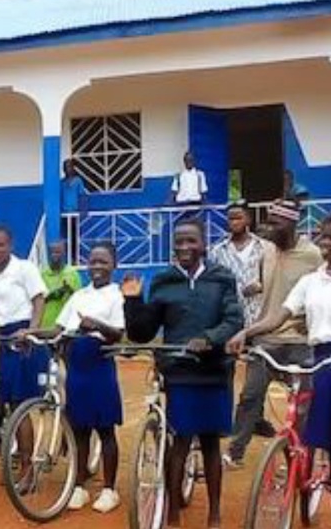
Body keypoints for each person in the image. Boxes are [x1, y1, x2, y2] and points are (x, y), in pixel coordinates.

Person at [236, 211, 331, 529]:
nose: (325, 243)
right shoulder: (309, 282)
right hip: (322, 366)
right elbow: (279, 316)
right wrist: (246, 333)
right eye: (322, 236)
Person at [123, 218, 241, 529]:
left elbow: (234, 320)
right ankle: (173, 511)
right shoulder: (164, 282)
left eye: (191, 241)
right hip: (179, 372)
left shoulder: (221, 278)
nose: (184, 247)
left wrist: (210, 339)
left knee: (211, 443)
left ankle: (214, 513)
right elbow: (142, 333)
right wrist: (133, 301)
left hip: (214, 371)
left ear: (203, 245)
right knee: (180, 441)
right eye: (179, 242)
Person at [223, 200, 322, 467]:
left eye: (274, 223)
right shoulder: (266, 251)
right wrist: (251, 288)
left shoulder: (312, 255)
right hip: (265, 337)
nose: (268, 227)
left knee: (301, 405)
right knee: (250, 396)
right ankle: (235, 451)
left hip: (298, 341)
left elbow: (322, 293)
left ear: (291, 224)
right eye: (267, 221)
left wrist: (312, 322)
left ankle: (296, 459)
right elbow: (266, 280)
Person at [49, 242, 124, 514]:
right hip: (76, 367)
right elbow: (57, 328)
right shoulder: (78, 295)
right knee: (79, 429)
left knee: (105, 430)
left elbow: (118, 334)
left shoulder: (117, 296)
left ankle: (109, 489)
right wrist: (28, 333)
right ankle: (79, 485)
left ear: (113, 265)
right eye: (93, 261)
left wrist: (97, 324)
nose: (97, 267)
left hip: (99, 365)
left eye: (103, 262)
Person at [0, 223, 49, 479]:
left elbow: (39, 300)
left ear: (10, 245)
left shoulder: (24, 269)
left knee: (21, 405)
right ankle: (12, 462)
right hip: (4, 339)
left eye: (0, 244)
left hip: (23, 340)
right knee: (7, 403)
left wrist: (31, 332)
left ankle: (27, 467)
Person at [208, 202, 275, 331]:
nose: (234, 222)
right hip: (228, 315)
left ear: (248, 220)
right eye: (231, 219)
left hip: (257, 313)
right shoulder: (217, 251)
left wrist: (261, 284)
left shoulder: (264, 247)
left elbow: (273, 276)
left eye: (238, 218)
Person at [40, 240, 82, 330]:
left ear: (64, 253)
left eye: (58, 252)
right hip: (45, 323)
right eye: (52, 252)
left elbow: (79, 299)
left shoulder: (73, 273)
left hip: (66, 323)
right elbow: (38, 299)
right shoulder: (41, 274)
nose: (54, 255)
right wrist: (54, 294)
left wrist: (69, 290)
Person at [61, 158, 88, 259]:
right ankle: (67, 257)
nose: (66, 169)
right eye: (65, 167)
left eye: (68, 167)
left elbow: (82, 196)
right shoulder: (62, 182)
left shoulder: (78, 181)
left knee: (74, 236)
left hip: (74, 213)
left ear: (73, 168)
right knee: (66, 237)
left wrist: (83, 211)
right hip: (64, 213)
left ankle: (74, 258)